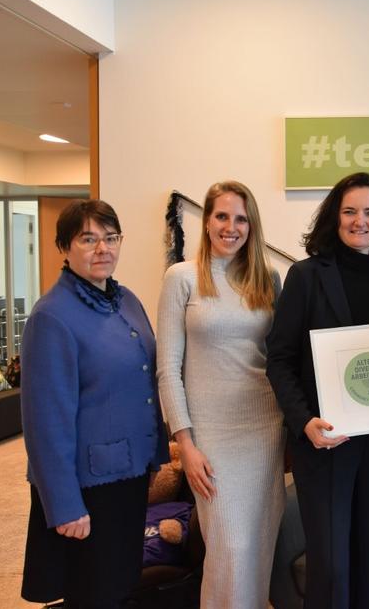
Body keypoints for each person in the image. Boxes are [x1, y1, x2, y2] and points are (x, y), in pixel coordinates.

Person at [266, 172, 369, 609]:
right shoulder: (306, 276)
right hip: (323, 441)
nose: (360, 221)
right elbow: (279, 359)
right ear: (335, 216)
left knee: (366, 556)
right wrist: (304, 421)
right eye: (350, 211)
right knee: (330, 565)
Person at [21, 199, 168, 608]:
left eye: (111, 237)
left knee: (121, 583)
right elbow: (44, 424)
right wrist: (64, 505)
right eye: (88, 239)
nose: (102, 248)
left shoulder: (127, 300)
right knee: (93, 592)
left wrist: (154, 457)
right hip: (87, 487)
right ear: (64, 247)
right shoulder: (51, 317)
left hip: (129, 474)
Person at [156, 181, 284, 607]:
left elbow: (283, 355)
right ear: (207, 221)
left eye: (241, 219)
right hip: (209, 435)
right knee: (229, 549)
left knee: (258, 547)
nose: (231, 227)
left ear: (252, 225)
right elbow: (167, 369)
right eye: (222, 216)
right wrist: (185, 444)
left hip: (265, 429)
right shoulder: (181, 277)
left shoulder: (268, 277)